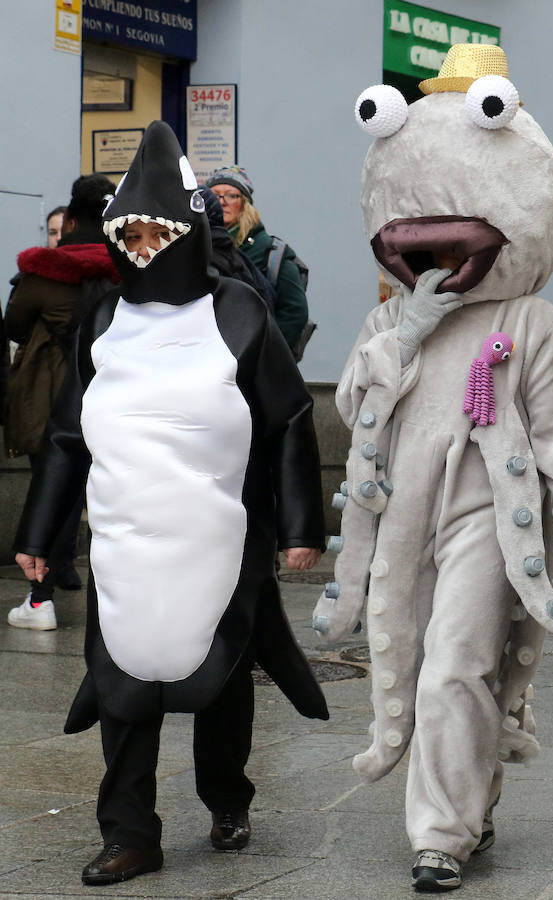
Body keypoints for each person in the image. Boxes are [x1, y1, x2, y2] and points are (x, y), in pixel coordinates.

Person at [313, 45, 553, 892]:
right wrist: (404, 335)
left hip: (488, 516)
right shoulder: (388, 324)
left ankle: (439, 835)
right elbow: (350, 408)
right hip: (402, 515)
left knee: (457, 662)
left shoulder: (529, 321)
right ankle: (473, 805)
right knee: (409, 661)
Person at [13, 121, 327, 886]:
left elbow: (288, 419)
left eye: (159, 232)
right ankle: (129, 831)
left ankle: (226, 797)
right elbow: (66, 438)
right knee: (123, 684)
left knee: (217, 679)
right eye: (133, 233)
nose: (145, 246)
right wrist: (41, 536)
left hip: (218, 536)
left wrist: (298, 526)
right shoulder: (104, 319)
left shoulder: (240, 313)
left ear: (187, 233)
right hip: (124, 539)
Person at [4, 175, 119, 630]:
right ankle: (103, 593)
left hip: (51, 395)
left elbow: (14, 325)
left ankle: (40, 598)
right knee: (109, 493)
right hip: (113, 396)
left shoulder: (43, 271)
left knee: (49, 486)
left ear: (69, 219)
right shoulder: (129, 269)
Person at [205, 165, 309, 354]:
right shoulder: (198, 247)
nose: (222, 202)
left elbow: (294, 312)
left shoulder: (271, 251)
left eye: (231, 195)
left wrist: (269, 357)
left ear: (244, 203)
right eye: (215, 195)